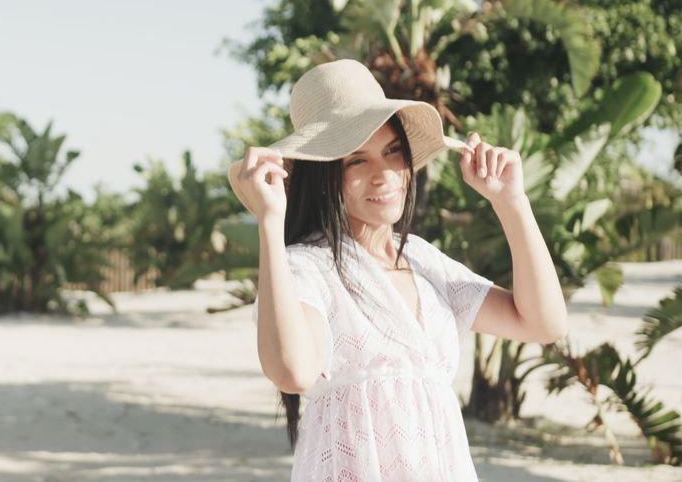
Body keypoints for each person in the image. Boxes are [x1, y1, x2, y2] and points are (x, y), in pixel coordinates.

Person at [227, 59, 568, 481]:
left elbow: (543, 324)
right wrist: (269, 223)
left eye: (392, 152)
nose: (384, 175)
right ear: (323, 178)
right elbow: (294, 371)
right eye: (356, 161)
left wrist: (512, 203)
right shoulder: (305, 267)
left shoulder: (424, 262)